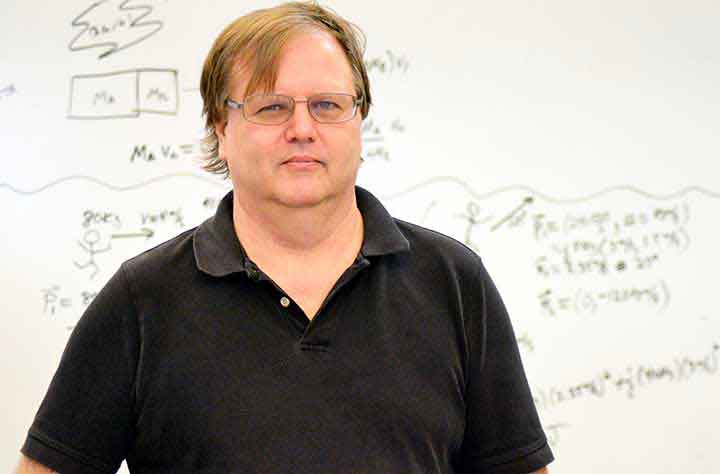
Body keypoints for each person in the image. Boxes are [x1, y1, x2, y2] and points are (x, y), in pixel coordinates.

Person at [15, 2, 554, 473]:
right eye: (271, 106)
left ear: (359, 119)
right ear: (220, 130)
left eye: (327, 105)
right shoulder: (142, 299)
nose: (302, 128)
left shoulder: (454, 283)